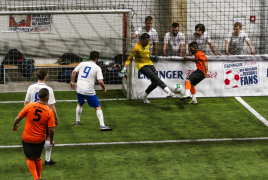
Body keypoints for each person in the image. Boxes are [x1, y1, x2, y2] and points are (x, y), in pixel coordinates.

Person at [119, 33, 175, 103]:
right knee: (155, 77)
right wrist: (124, 68)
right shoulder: (136, 47)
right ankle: (168, 91)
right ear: (142, 40)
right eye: (147, 41)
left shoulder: (147, 44)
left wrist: (151, 56)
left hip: (149, 63)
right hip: (141, 66)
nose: (148, 42)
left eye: (149, 41)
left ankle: (144, 96)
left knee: (155, 82)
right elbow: (129, 58)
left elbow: (148, 53)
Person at [13, 88, 55, 180]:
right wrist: (51, 140)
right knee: (37, 157)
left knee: (29, 157)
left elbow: (18, 117)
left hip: (27, 138)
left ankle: (36, 178)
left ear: (38, 96)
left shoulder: (30, 106)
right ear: (47, 98)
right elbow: (51, 130)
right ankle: (39, 177)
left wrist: (15, 125)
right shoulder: (49, 111)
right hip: (40, 139)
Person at [69, 51, 112, 131]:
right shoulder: (97, 68)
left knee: (80, 103)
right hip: (89, 90)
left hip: (80, 88)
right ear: (96, 58)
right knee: (97, 107)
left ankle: (77, 121)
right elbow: (100, 81)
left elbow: (74, 72)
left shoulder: (82, 63)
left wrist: (72, 81)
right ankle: (102, 125)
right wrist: (104, 88)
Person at [25, 68, 58, 166]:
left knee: (34, 138)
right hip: (45, 116)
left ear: (37, 76)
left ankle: (33, 159)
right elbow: (51, 106)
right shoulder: (49, 89)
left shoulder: (31, 87)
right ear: (45, 77)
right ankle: (47, 160)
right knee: (47, 137)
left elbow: (26, 103)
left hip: (33, 117)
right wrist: (56, 118)